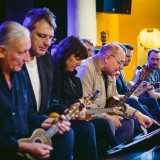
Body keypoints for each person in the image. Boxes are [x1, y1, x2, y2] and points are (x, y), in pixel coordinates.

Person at [0, 21, 70, 160]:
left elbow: (27, 112)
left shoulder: (18, 74)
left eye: (28, 50)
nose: (27, 58)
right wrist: (23, 146)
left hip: (23, 143)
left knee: (65, 134)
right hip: (9, 149)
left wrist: (45, 122)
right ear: (2, 51)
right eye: (21, 52)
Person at [76, 42, 160, 145]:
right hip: (88, 117)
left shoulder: (109, 72)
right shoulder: (86, 68)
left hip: (103, 111)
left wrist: (136, 113)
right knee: (108, 123)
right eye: (120, 62)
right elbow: (86, 107)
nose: (121, 67)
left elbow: (115, 101)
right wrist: (107, 116)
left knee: (128, 122)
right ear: (107, 58)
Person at [51, 35, 118, 160]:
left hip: (75, 116)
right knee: (87, 127)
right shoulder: (55, 73)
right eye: (77, 58)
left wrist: (81, 108)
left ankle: (118, 153)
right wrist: (73, 107)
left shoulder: (73, 77)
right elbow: (54, 100)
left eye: (81, 59)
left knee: (103, 125)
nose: (79, 63)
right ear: (65, 53)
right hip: (61, 117)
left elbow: (80, 101)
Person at [22, 8, 74, 160]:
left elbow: (50, 98)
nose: (47, 43)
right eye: (42, 36)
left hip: (43, 122)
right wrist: (44, 120)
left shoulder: (46, 60)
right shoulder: (14, 61)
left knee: (84, 128)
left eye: (51, 38)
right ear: (25, 32)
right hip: (25, 125)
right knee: (68, 134)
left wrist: (65, 111)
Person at [116, 44, 160, 125]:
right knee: (147, 100)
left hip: (128, 98)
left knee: (145, 101)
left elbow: (130, 94)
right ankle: (155, 125)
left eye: (131, 56)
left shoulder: (121, 71)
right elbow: (152, 95)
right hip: (118, 104)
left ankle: (155, 125)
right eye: (127, 56)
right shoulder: (145, 71)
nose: (130, 59)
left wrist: (142, 87)